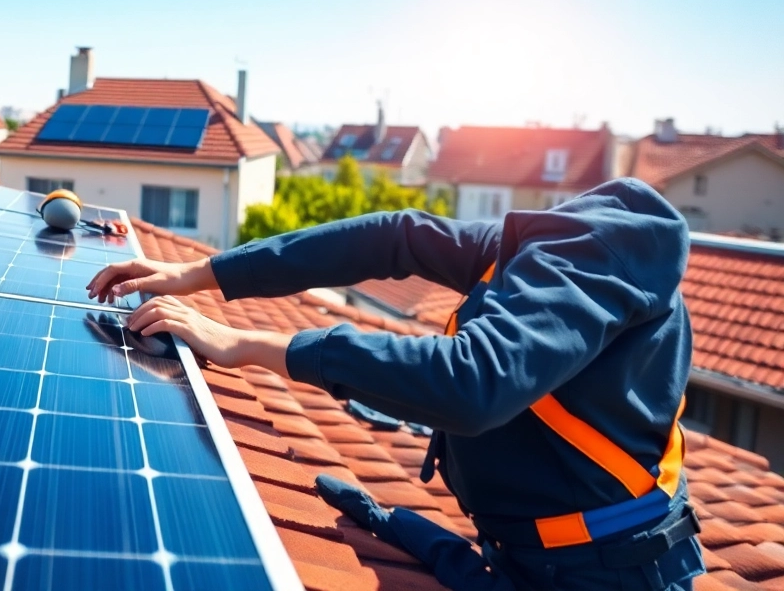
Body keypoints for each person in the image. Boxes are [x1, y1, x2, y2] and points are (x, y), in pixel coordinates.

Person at [88, 177, 704, 590]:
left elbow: (472, 381)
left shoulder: (578, 268)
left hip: (610, 574)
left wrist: (245, 344)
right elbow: (393, 238)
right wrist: (198, 273)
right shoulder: (535, 245)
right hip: (535, 553)